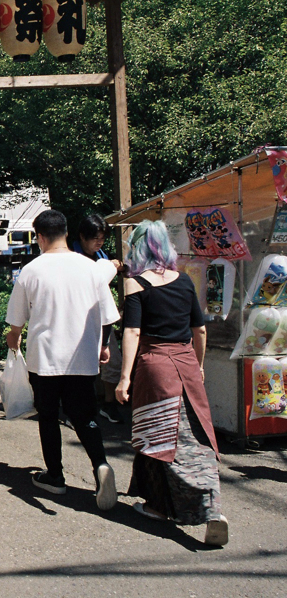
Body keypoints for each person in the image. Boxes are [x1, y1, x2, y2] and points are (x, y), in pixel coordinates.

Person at [115, 220, 228, 546]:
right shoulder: (184, 281)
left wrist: (124, 378)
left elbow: (133, 332)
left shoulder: (136, 284)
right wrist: (200, 366)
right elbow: (200, 330)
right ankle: (187, 506)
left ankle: (175, 508)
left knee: (159, 439)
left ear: (137, 247)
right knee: (196, 436)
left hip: (156, 368)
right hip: (186, 364)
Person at [5, 209, 120, 511]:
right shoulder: (91, 268)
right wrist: (104, 346)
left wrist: (13, 339)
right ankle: (100, 465)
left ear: (40, 237)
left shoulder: (31, 271)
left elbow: (16, 321)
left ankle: (55, 476)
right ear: (67, 233)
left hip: (44, 360)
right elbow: (108, 315)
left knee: (48, 416)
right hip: (82, 357)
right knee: (85, 416)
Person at [71, 214, 125, 424]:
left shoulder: (101, 254)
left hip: (103, 318)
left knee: (112, 361)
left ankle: (109, 404)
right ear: (83, 236)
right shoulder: (72, 255)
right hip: (79, 319)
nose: (99, 242)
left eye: (102, 238)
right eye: (95, 238)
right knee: (81, 365)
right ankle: (79, 407)